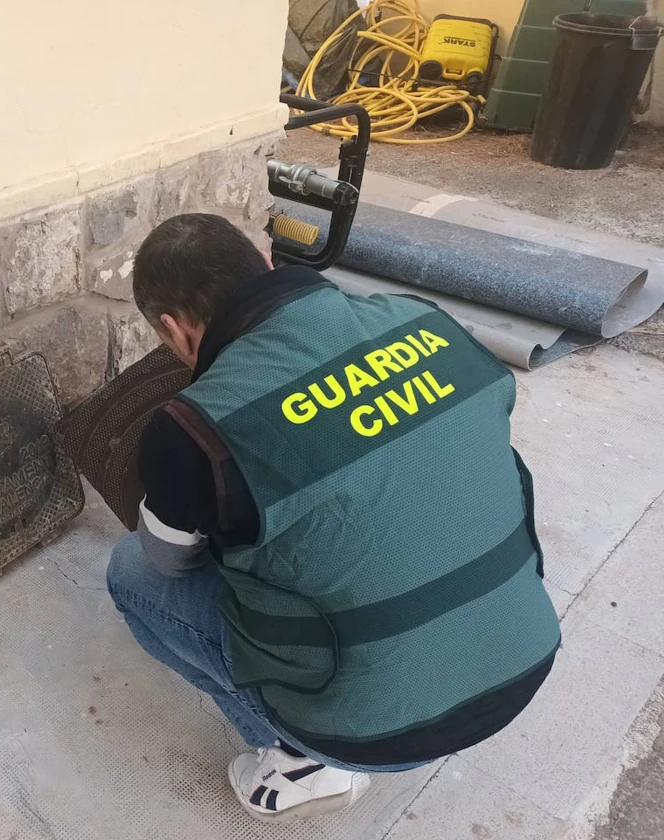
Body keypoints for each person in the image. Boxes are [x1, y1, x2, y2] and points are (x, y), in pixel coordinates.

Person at [106, 213, 561, 822]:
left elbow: (166, 560)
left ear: (176, 332)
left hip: (374, 736)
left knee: (130, 573)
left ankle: (307, 761)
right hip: (527, 661)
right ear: (267, 263)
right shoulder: (422, 320)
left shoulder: (192, 428)